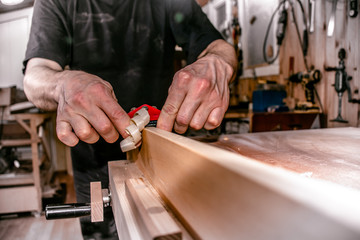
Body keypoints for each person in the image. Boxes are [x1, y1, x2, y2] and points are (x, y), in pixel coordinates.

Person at [23, 0, 236, 239]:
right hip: (93, 162)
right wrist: (62, 85)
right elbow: (35, 74)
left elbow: (217, 46)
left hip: (161, 159)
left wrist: (217, 62)